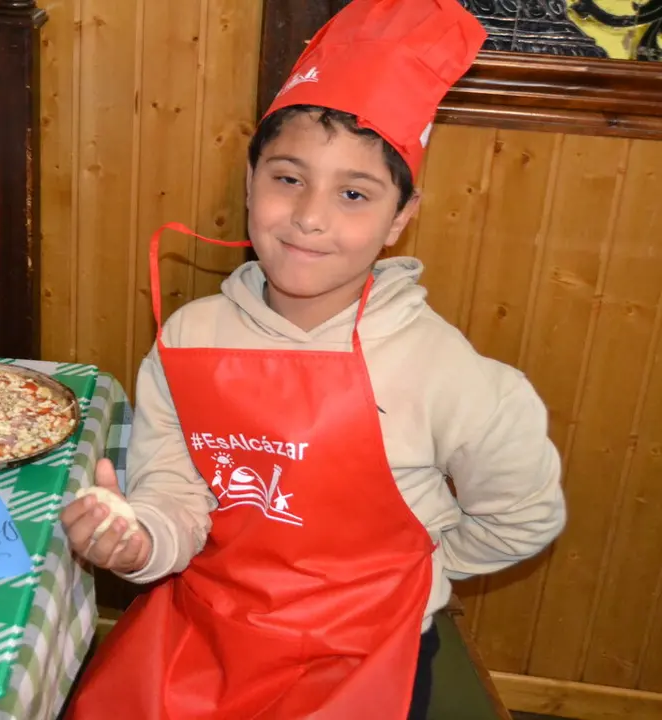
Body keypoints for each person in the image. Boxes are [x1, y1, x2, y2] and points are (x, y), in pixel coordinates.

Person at [61, 0, 568, 717]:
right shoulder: (189, 337)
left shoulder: (450, 375)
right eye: (288, 178)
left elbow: (524, 515)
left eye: (354, 193)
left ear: (399, 218)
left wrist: (419, 575)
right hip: (209, 631)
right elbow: (174, 497)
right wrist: (139, 541)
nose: (309, 217)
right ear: (249, 181)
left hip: (369, 655)